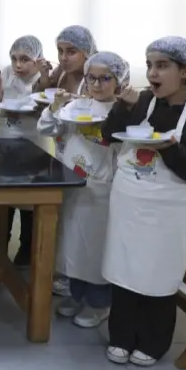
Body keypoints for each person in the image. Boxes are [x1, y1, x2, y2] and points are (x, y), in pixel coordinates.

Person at [101, 36, 186, 366]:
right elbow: (108, 135)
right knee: (125, 268)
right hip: (129, 204)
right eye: (149, 65)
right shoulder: (142, 101)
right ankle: (121, 336)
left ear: (184, 71)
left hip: (170, 211)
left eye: (162, 65)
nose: (152, 73)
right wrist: (122, 107)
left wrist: (171, 150)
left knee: (158, 271)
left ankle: (153, 342)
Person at [37, 52, 129, 328]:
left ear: (119, 80)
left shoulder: (122, 112)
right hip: (72, 184)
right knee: (72, 245)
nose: (96, 84)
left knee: (96, 248)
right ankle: (76, 295)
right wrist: (55, 106)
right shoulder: (76, 106)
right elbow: (47, 128)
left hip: (102, 190)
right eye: (91, 78)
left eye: (105, 78)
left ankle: (98, 303)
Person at [0, 35, 44, 267]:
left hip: (34, 142)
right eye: (14, 59)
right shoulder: (6, 72)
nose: (18, 65)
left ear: (37, 60)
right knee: (2, 195)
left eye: (25, 59)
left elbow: (45, 109)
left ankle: (26, 249)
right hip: (6, 139)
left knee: (29, 199)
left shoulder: (43, 78)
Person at [34, 25, 97, 95]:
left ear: (87, 52)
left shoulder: (95, 78)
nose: (63, 58)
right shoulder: (60, 71)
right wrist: (44, 76)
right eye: (60, 51)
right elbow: (42, 95)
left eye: (71, 52)